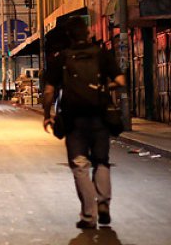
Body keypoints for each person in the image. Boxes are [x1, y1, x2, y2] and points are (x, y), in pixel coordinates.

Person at [42, 16, 125, 230]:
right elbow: (121, 81)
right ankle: (104, 202)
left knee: (80, 165)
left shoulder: (61, 59)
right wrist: (102, 88)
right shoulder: (101, 54)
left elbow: (49, 91)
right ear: (87, 33)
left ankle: (89, 215)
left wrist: (46, 114)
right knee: (101, 161)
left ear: (69, 37)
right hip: (99, 117)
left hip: (73, 119)